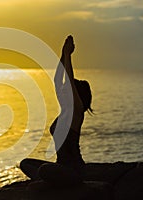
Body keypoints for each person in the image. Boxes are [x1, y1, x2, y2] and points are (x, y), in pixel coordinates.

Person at [20, 35, 93, 184]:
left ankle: (52, 180)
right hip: (60, 167)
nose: (64, 90)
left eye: (70, 89)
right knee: (25, 163)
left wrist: (68, 56)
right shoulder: (65, 109)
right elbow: (57, 80)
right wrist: (62, 53)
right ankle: (51, 179)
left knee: (45, 170)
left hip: (74, 170)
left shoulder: (76, 113)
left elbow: (68, 82)